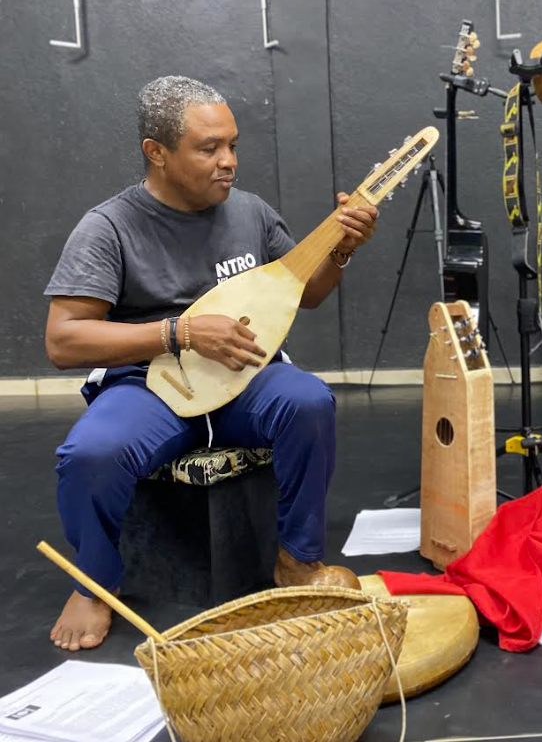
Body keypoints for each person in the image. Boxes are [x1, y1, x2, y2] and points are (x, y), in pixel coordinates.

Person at [43, 76, 378, 650]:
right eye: (208, 149)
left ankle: (297, 562)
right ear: (158, 153)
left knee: (308, 401)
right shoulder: (109, 227)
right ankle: (95, 581)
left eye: (233, 145)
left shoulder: (250, 213)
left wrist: (343, 246)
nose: (228, 162)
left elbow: (310, 292)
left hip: (246, 377)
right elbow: (63, 341)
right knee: (90, 454)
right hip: (150, 384)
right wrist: (181, 333)